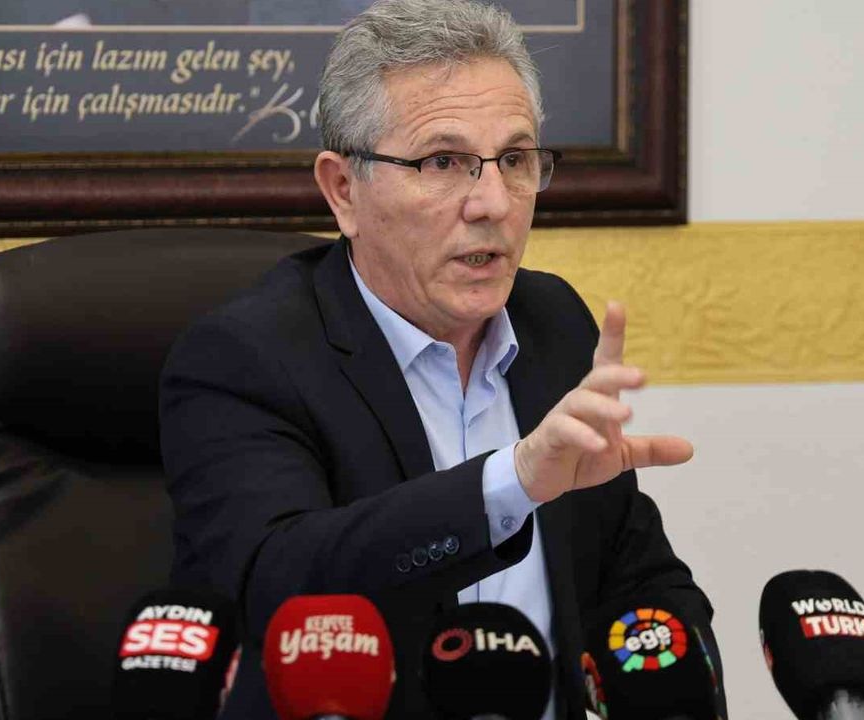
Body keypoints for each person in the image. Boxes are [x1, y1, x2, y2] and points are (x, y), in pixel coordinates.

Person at [159, 1, 723, 717]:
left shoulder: (552, 324)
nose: (492, 203)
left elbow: (633, 579)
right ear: (343, 190)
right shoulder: (247, 357)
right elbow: (280, 586)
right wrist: (511, 483)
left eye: (514, 160)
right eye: (442, 162)